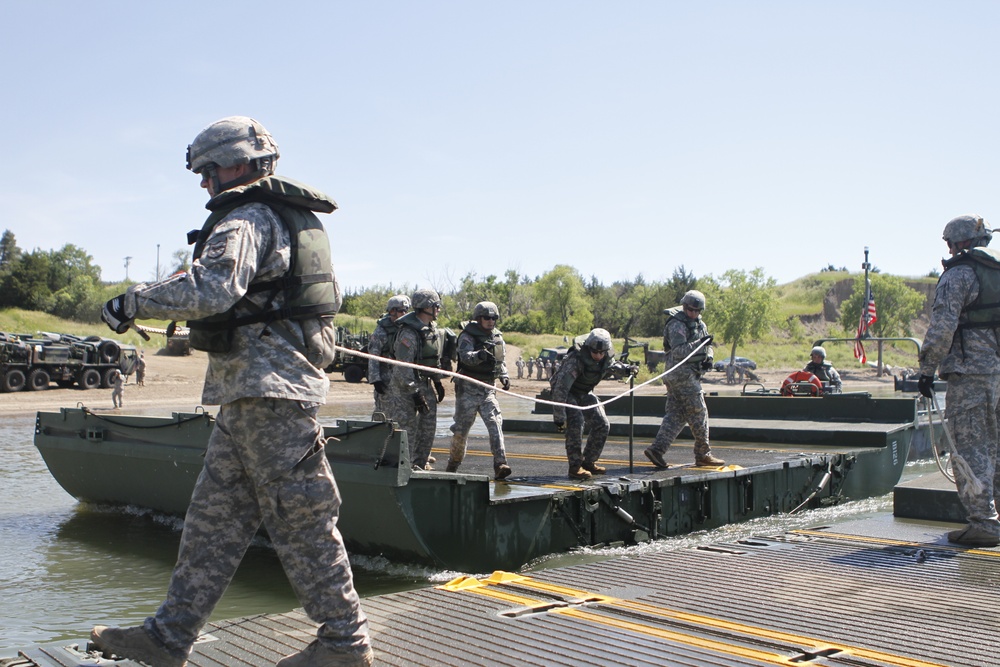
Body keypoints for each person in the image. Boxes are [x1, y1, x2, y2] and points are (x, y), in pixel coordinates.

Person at [93, 116, 372, 667]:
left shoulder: (246, 217)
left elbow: (214, 286)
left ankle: (344, 643)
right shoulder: (275, 217)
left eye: (207, 171)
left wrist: (132, 303)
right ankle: (167, 639)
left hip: (270, 396)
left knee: (303, 521)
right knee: (211, 525)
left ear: (237, 164)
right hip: (249, 397)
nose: (204, 183)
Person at [918, 214, 1000, 548]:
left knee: (971, 449)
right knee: (995, 448)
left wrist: (926, 369)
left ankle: (984, 524)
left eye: (950, 243)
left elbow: (942, 328)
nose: (950, 249)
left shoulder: (959, 276)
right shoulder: (996, 274)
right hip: (997, 375)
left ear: (960, 243)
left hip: (969, 376)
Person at [644, 290, 726, 469]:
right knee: (699, 412)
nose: (693, 314)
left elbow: (708, 344)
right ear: (684, 307)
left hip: (688, 374)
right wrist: (700, 345)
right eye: (690, 310)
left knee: (676, 415)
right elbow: (679, 351)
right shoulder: (676, 324)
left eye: (697, 311)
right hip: (681, 375)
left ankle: (657, 449)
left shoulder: (699, 323)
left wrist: (708, 358)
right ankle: (703, 454)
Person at [550, 328, 630, 480]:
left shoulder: (605, 357)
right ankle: (574, 467)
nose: (598, 356)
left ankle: (588, 462)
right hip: (568, 394)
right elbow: (561, 388)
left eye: (602, 352)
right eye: (595, 352)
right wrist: (559, 417)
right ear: (588, 348)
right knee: (577, 422)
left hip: (584, 393)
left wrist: (627, 370)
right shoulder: (575, 360)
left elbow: (613, 367)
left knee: (602, 424)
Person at [446, 301, 512, 479]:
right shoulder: (467, 336)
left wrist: (504, 376)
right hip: (467, 389)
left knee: (495, 424)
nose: (491, 321)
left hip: (488, 389)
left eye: (494, 318)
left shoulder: (498, 338)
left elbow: (501, 361)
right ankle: (453, 465)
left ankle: (500, 463)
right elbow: (465, 357)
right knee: (461, 430)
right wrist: (479, 355)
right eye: (487, 318)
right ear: (478, 318)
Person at [386, 288, 448, 471]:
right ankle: (402, 468)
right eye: (436, 306)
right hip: (405, 388)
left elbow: (431, 361)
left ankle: (419, 465)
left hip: (425, 385)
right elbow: (403, 367)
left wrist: (437, 381)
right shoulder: (408, 333)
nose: (438, 309)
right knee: (407, 431)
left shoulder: (430, 331)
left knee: (428, 427)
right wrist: (414, 393)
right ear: (427, 307)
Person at [367, 294, 410, 414]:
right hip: (386, 380)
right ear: (392, 311)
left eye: (406, 310)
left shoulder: (406, 328)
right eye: (401, 311)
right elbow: (373, 357)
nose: (404, 313)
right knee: (384, 413)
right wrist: (376, 380)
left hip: (402, 380)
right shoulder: (381, 331)